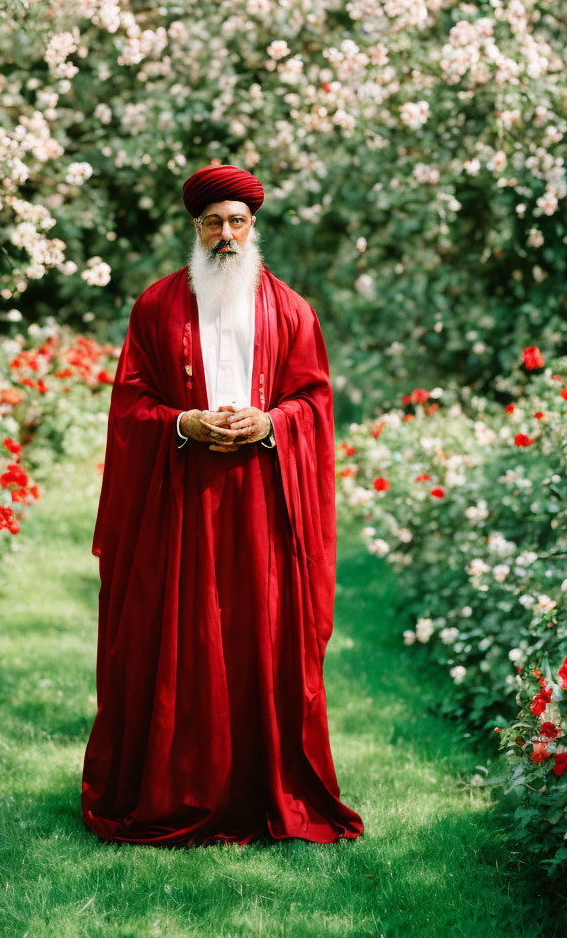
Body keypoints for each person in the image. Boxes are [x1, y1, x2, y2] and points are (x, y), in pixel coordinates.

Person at [81, 162, 365, 848]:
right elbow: (132, 405)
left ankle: (263, 792)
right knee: (180, 637)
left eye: (238, 222)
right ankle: (177, 786)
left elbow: (314, 403)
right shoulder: (155, 307)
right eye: (213, 223)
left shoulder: (293, 310)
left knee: (260, 639)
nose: (226, 236)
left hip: (264, 504)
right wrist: (184, 423)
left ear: (255, 227)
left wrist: (272, 423)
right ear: (195, 228)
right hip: (179, 500)